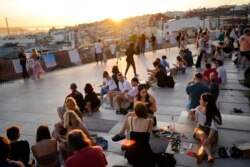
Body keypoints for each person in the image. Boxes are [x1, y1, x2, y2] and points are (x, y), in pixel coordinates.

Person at [189, 93, 222, 163]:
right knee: (203, 136)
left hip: (211, 131)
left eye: (201, 99)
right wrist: (192, 115)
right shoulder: (198, 108)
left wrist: (209, 138)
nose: (199, 101)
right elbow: (194, 119)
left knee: (207, 140)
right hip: (200, 128)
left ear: (206, 102)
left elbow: (213, 128)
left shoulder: (214, 113)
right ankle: (210, 156)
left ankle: (201, 155)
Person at [124, 102, 156, 167]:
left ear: (135, 111)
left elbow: (132, 115)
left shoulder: (130, 119)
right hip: (145, 154)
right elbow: (149, 118)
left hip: (132, 154)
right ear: (145, 111)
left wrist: (136, 112)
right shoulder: (150, 121)